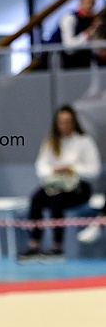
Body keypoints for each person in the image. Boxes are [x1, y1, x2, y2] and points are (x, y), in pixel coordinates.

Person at [20, 104, 101, 259]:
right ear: (56, 124)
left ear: (74, 122)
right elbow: (41, 166)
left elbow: (94, 170)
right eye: (62, 122)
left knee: (56, 200)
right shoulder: (51, 141)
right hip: (55, 184)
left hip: (79, 188)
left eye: (68, 121)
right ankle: (34, 244)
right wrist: (54, 171)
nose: (65, 125)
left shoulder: (84, 141)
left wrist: (72, 169)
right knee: (36, 198)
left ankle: (57, 245)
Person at [59, 0, 100, 68]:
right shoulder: (69, 18)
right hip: (70, 67)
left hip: (88, 66)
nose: (89, 5)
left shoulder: (93, 20)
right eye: (86, 1)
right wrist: (87, 34)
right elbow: (69, 48)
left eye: (91, 1)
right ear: (80, 2)